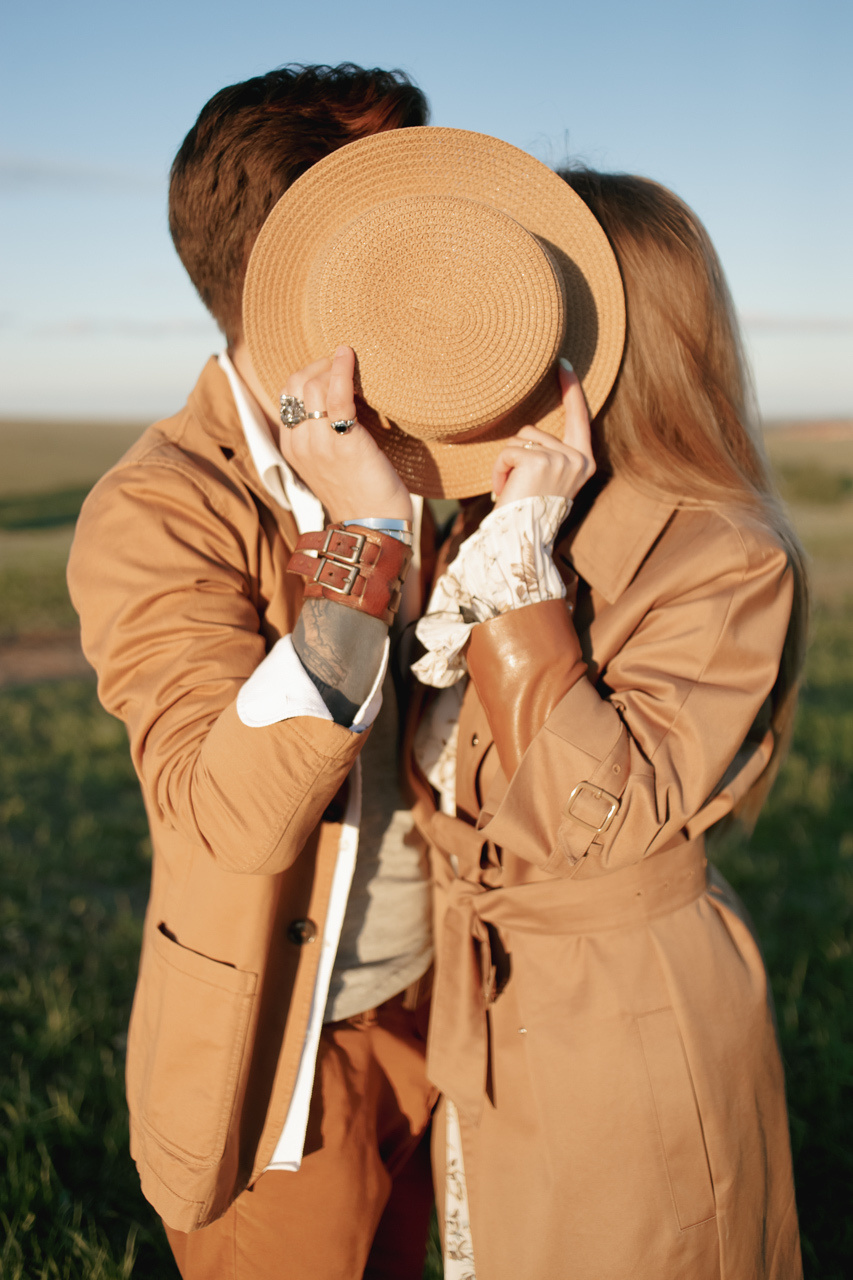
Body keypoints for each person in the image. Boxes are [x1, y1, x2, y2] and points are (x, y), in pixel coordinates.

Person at [68, 63, 444, 1279]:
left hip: (460, 1014)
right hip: (286, 1043)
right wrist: (366, 548)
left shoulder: (446, 442)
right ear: (302, 272)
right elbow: (215, 807)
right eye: (395, 223)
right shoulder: (155, 505)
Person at [408, 170, 807, 1278]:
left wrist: (524, 586)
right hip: (495, 1005)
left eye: (521, 313)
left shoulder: (724, 554)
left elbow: (601, 816)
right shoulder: (503, 524)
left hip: (623, 1021)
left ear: (610, 341)